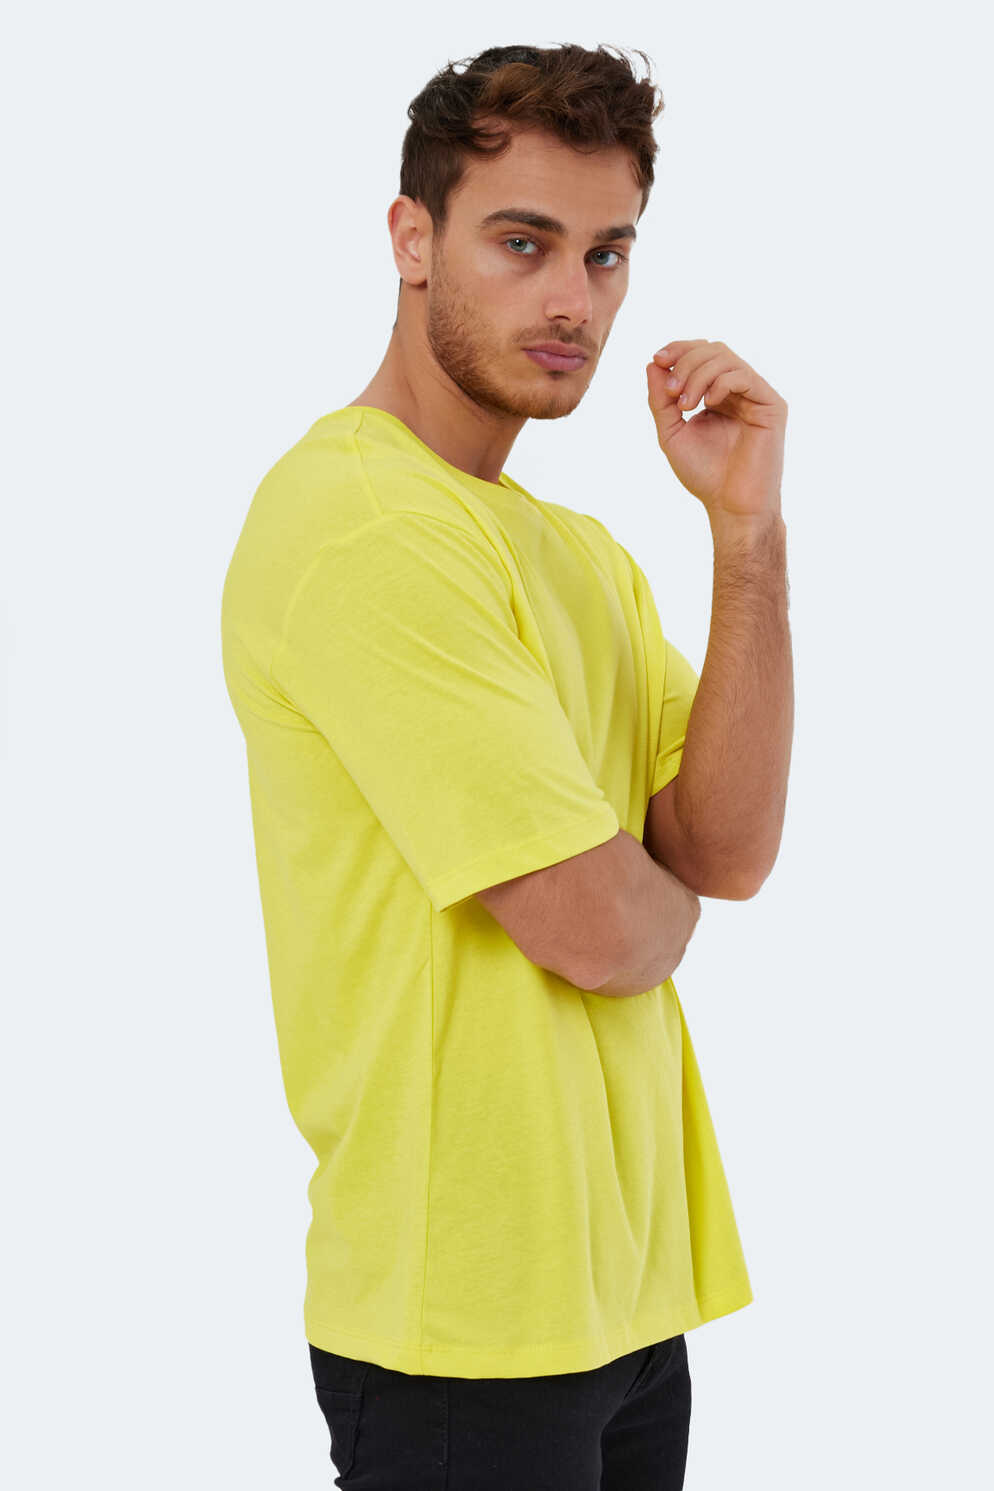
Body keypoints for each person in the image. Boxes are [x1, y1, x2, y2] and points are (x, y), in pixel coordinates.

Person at [220, 40, 793, 1491]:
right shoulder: (362, 526)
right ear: (412, 239)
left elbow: (727, 850)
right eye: (522, 242)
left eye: (606, 254)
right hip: (462, 1325)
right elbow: (604, 929)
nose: (572, 300)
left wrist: (745, 535)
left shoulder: (577, 555)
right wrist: (653, 902)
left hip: (622, 1294)